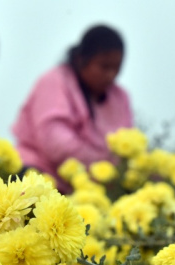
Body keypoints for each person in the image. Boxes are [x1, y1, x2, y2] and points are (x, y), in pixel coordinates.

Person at [12, 24, 133, 189]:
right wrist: (105, 164)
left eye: (116, 68)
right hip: (36, 175)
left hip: (88, 189)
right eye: (104, 67)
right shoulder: (55, 81)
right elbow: (55, 143)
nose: (110, 75)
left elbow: (129, 144)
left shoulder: (120, 97)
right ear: (82, 59)